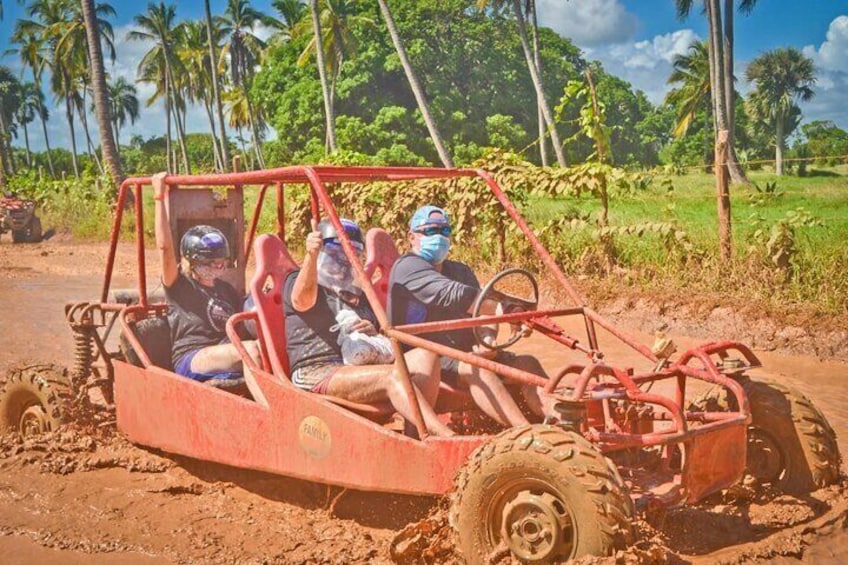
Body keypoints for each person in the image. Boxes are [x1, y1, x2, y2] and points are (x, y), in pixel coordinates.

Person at [284, 216, 453, 437]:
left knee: (426, 356)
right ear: (323, 252)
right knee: (392, 376)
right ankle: (443, 436)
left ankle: (415, 438)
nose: (343, 261)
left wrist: (372, 330)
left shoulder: (355, 291)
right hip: (316, 370)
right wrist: (311, 256)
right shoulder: (298, 279)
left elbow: (378, 333)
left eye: (351, 254)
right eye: (336, 254)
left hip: (359, 365)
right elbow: (301, 301)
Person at [388, 205, 552, 427]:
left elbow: (482, 312)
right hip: (427, 357)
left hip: (466, 352)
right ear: (412, 237)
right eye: (430, 231)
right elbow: (454, 295)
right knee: (476, 368)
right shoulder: (408, 268)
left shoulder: (460, 271)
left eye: (445, 231)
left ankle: (561, 425)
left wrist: (489, 339)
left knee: (527, 364)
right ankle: (526, 434)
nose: (438, 236)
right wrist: (504, 311)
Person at [152, 173, 259, 387]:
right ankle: (271, 409)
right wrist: (159, 196)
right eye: (210, 262)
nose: (217, 267)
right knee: (252, 350)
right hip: (192, 357)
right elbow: (165, 249)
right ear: (192, 261)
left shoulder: (226, 290)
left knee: (268, 348)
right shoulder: (180, 286)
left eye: (221, 261)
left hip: (225, 351)